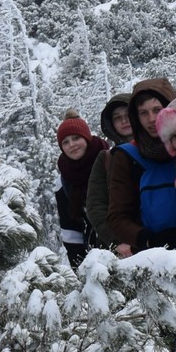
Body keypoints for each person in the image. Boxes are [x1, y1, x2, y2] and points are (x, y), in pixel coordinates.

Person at [106, 77, 176, 253]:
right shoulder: (126, 156)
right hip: (151, 256)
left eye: (157, 110)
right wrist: (147, 239)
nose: (151, 119)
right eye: (143, 113)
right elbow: (117, 216)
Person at [54, 110, 107, 266]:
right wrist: (80, 268)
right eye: (65, 142)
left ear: (87, 137)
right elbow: (70, 230)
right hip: (95, 255)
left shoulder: (110, 161)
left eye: (76, 138)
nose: (72, 145)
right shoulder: (64, 181)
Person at [84, 93, 132, 251]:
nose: (124, 121)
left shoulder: (163, 151)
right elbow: (95, 205)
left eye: (128, 114)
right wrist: (116, 241)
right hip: (121, 251)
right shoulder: (106, 158)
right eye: (117, 117)